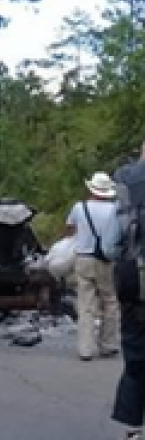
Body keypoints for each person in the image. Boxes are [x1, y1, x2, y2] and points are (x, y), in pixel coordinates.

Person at [64, 171, 121, 361]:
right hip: (107, 260)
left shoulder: (80, 208)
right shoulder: (115, 209)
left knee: (86, 304)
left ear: (92, 189)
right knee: (110, 301)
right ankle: (108, 344)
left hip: (83, 258)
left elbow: (70, 229)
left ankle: (85, 348)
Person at [113, 141, 145, 440]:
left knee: (136, 351)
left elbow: (114, 239)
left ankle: (134, 425)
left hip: (135, 278)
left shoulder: (124, 179)